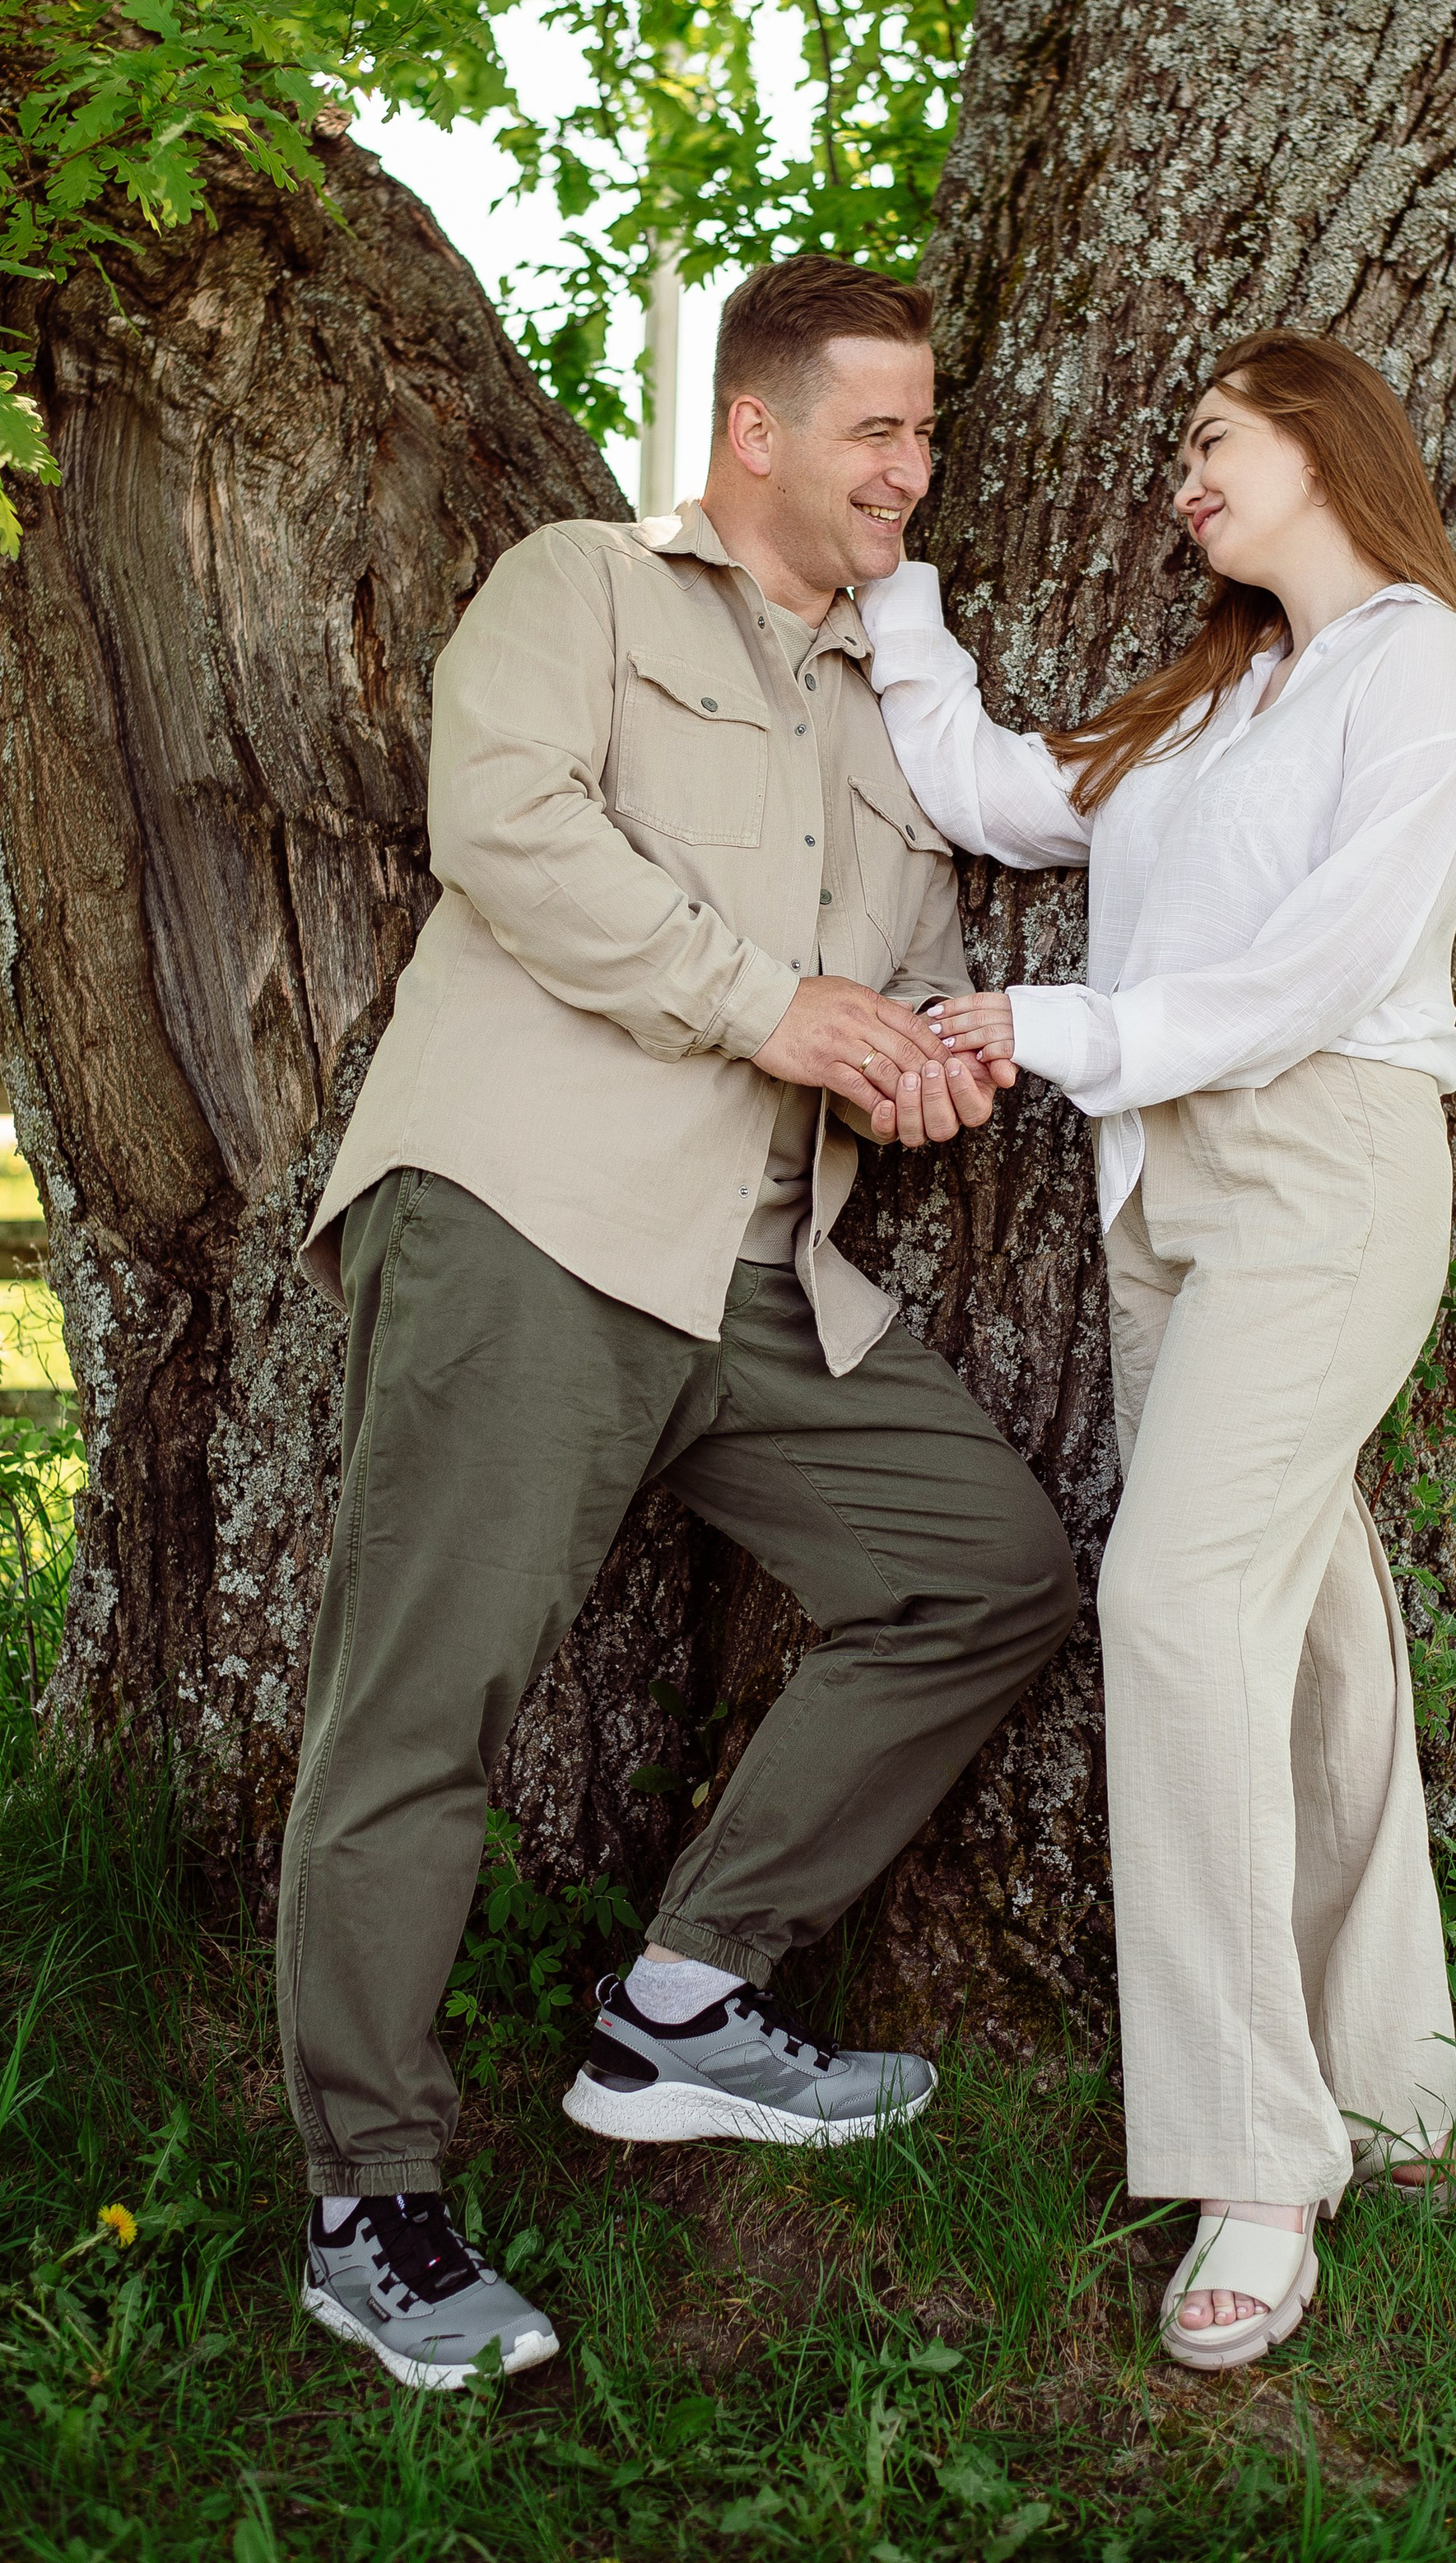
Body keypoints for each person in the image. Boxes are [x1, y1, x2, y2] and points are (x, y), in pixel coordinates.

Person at [277, 254, 1080, 2391]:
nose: (912, 469)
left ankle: (681, 2005)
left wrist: (916, 1063)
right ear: (755, 429)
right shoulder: (587, 589)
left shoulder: (885, 714)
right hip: (538, 1217)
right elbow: (506, 827)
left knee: (984, 1571)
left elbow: (883, 989)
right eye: (877, 428)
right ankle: (366, 2202)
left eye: (925, 433)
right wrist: (772, 1005)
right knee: (419, 1710)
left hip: (764, 1273)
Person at [857, 329, 1456, 2372]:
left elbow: (1325, 961)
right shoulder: (1212, 697)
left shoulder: (1417, 667)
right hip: (1163, 1199)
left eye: (1212, 440)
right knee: (1303, 1639)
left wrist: (1059, 1029)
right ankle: (1389, 2080)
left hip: (1322, 1170)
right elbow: (982, 787)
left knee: (1171, 1602)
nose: (1180, 479)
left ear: (1321, 438)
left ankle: (1254, 2162)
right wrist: (892, 594)